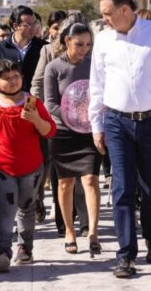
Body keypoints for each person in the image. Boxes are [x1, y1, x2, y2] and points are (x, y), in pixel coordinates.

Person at [89, 0, 151, 278]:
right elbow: (96, 85)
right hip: (117, 122)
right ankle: (126, 255)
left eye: (107, 13)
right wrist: (96, 125)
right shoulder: (103, 40)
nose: (104, 19)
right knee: (122, 188)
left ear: (124, 10)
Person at [0, 59, 56, 273]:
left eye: (15, 76)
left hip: (31, 169)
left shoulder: (33, 103)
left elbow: (50, 131)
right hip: (0, 170)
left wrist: (36, 119)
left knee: (26, 208)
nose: (12, 81)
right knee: (5, 210)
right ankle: (3, 252)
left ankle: (25, 248)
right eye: (6, 78)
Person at [44, 22, 102, 255]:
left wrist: (90, 119)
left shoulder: (94, 65)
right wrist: (73, 117)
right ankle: (70, 231)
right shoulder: (54, 67)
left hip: (89, 132)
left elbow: (101, 95)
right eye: (79, 44)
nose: (84, 50)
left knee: (90, 180)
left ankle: (93, 233)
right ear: (66, 41)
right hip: (62, 133)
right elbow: (49, 103)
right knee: (65, 183)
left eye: (88, 45)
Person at [31, 13, 89, 237]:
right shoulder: (48, 51)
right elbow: (38, 84)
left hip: (85, 121)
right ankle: (63, 223)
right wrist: (40, 113)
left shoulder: (89, 54)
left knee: (86, 176)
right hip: (56, 120)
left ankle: (85, 222)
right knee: (60, 177)